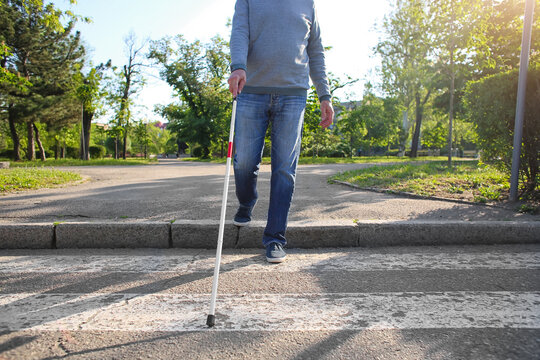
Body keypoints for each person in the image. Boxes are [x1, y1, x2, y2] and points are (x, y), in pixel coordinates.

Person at [228, 0, 334, 263]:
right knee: (244, 163)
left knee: (285, 168)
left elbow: (315, 50)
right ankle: (247, 200)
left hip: (294, 94)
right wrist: (238, 66)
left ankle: (275, 237)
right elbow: (239, 31)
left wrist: (324, 94)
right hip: (251, 91)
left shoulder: (307, 3)